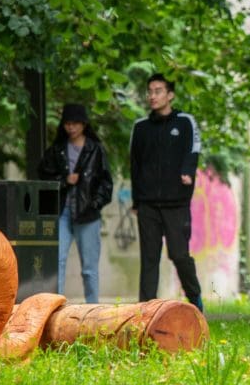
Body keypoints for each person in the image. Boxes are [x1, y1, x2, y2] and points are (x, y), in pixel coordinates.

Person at [130, 73, 204, 313]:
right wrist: (136, 200)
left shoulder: (185, 122)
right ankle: (145, 312)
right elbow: (135, 164)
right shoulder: (140, 128)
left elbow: (193, 149)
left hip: (176, 203)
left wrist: (187, 171)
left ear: (170, 95)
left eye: (158, 91)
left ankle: (195, 302)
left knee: (179, 255)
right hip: (148, 205)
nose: (153, 96)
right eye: (150, 91)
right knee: (149, 259)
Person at [37, 103, 113, 303]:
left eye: (75, 123)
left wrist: (94, 204)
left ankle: (93, 310)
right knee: (57, 261)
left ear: (84, 124)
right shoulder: (56, 150)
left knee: (89, 268)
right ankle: (56, 308)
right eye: (67, 123)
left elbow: (106, 183)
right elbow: (43, 176)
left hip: (88, 215)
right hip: (62, 213)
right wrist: (64, 181)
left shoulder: (95, 150)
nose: (71, 128)